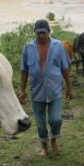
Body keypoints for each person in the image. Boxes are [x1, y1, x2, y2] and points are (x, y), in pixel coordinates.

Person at [19, 19, 73, 156]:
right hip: (36, 91)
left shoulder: (58, 46)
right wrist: (22, 91)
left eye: (43, 32)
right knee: (40, 123)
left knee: (56, 119)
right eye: (38, 33)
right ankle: (44, 146)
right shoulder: (28, 48)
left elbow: (65, 68)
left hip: (54, 90)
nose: (41, 35)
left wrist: (69, 87)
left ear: (49, 32)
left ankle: (54, 139)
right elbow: (24, 70)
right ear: (35, 33)